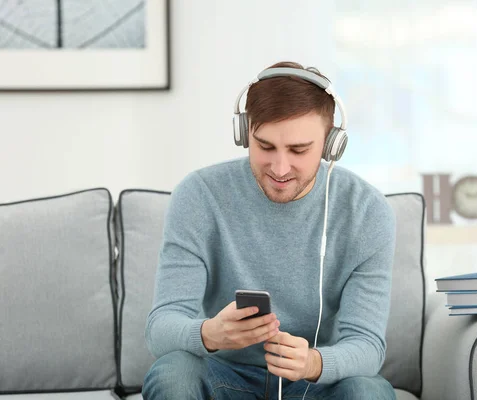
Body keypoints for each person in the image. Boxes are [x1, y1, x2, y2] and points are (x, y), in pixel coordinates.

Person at [142, 61, 397, 400]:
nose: (279, 168)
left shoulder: (367, 211)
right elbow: (160, 328)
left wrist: (312, 363)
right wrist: (210, 334)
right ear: (244, 133)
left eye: (298, 150)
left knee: (369, 392)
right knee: (173, 373)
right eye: (264, 146)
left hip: (314, 383)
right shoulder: (199, 195)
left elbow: (367, 346)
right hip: (225, 375)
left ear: (331, 143)